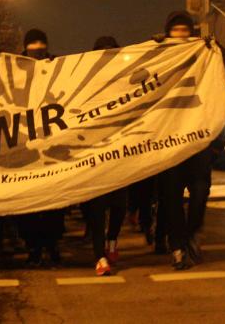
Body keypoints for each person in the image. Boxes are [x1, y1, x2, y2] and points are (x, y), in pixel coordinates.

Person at [157, 11, 225, 270]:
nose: (180, 35)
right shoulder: (159, 57)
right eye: (175, 31)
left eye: (184, 30)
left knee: (200, 194)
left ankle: (192, 234)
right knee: (171, 200)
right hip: (168, 144)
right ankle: (178, 247)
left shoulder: (208, 56)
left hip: (199, 143)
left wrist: (217, 141)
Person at [16, 29, 65, 267]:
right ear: (25, 47)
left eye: (41, 43)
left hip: (51, 141)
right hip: (24, 141)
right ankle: (33, 245)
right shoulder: (13, 69)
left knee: (54, 201)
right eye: (32, 44)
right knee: (29, 202)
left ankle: (52, 243)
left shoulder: (57, 67)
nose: (37, 47)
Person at [85, 36, 128, 276]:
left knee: (119, 204)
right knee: (97, 207)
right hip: (94, 152)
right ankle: (100, 255)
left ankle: (112, 240)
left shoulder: (125, 79)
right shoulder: (87, 81)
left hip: (120, 151)